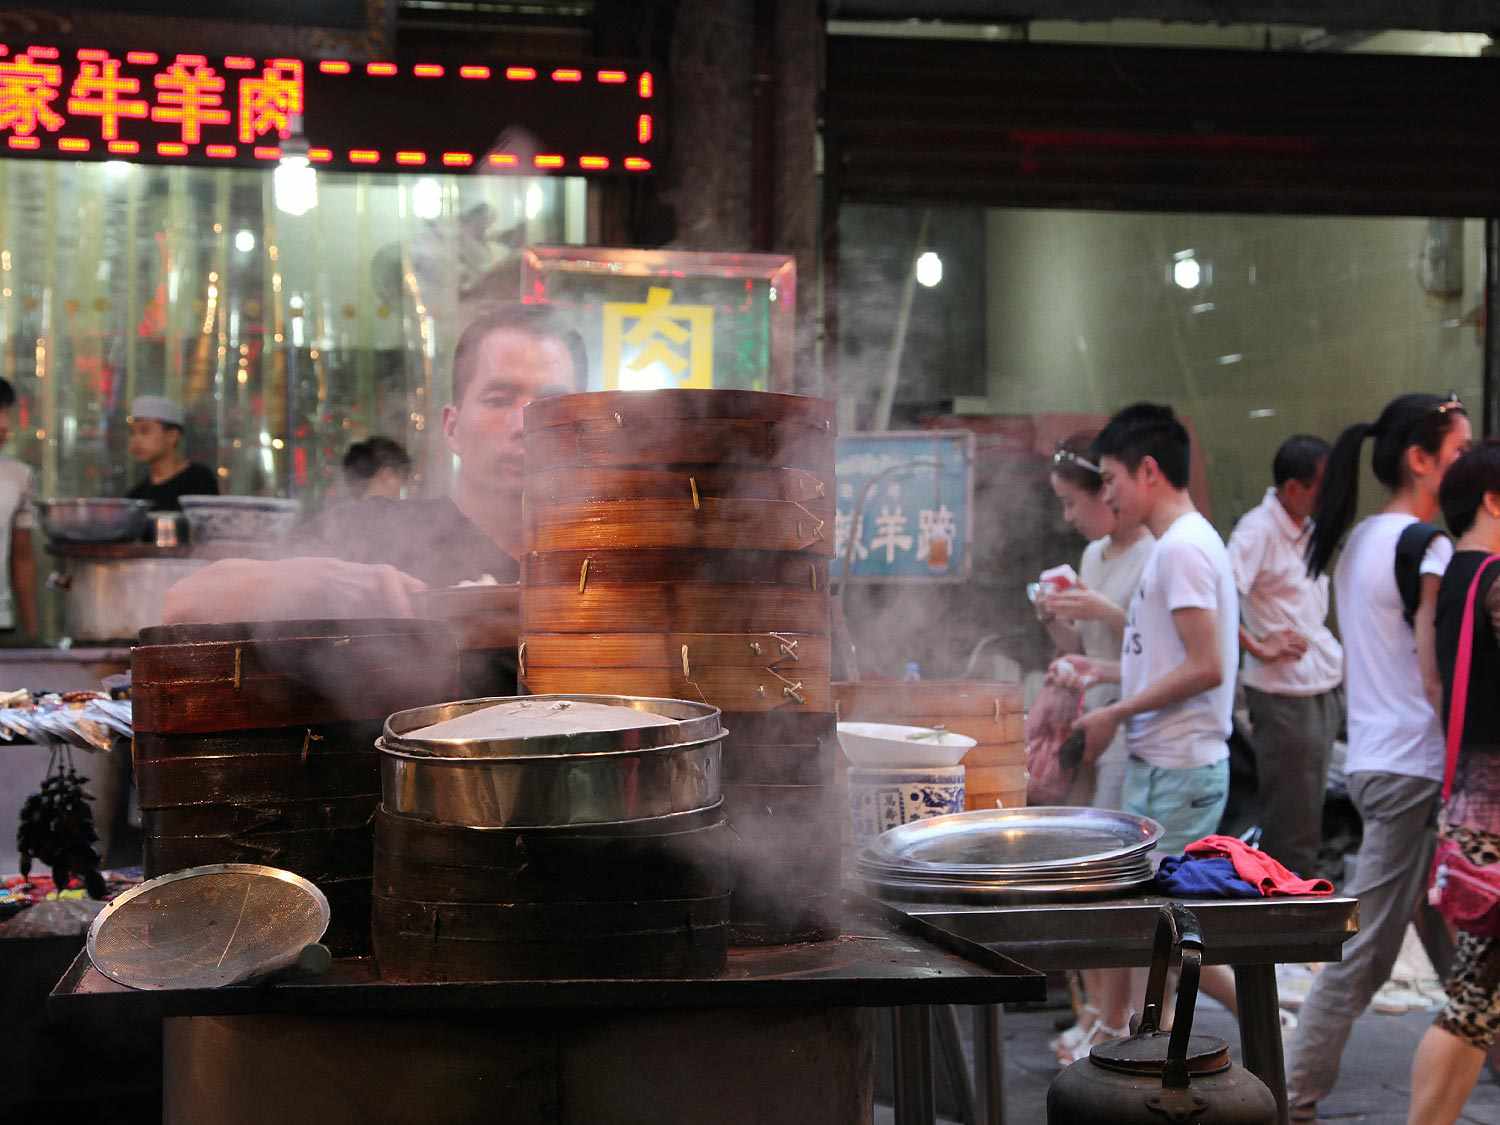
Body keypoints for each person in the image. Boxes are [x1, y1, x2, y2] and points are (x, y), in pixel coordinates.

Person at [162, 303, 584, 628]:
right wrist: (317, 583)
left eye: (551, 404)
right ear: (452, 428)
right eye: (498, 400)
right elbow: (185, 602)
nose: (524, 424)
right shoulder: (377, 532)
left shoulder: (607, 558)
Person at [1288, 392, 1472, 1123]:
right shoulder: (1427, 545)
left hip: (1376, 758)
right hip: (1412, 765)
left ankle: (1477, 1048)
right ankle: (1293, 1091)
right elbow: (1434, 674)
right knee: (1364, 950)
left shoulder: (1365, 537)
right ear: (1421, 461)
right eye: (1458, 451)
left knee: (1457, 933)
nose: (1465, 466)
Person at [1052, 403, 1240, 1040]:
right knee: (1147, 927)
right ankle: (1131, 1049)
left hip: (1180, 767)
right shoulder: (1179, 547)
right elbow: (1164, 661)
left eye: (1110, 479)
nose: (1106, 494)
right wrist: (1104, 679)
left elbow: (1208, 665)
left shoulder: (1182, 549)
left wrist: (1115, 711)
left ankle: (1140, 1055)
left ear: (1149, 471)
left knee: (1155, 932)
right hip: (1161, 763)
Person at [1037, 431, 1154, 1063]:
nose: (1071, 513)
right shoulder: (1092, 554)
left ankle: (1120, 1024)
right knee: (1096, 885)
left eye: (1075, 499)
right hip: (1098, 725)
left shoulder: (1161, 554)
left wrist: (1103, 615)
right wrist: (1056, 619)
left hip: (1137, 731)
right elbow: (1082, 650)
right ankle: (1104, 1020)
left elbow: (1159, 651)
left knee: (1126, 890)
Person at [1406, 439, 1500, 1125]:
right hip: (1496, 826)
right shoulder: (1495, 578)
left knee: (1478, 996)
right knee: (1472, 1000)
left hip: (1471, 813)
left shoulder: (1457, 581)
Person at [1228, 434, 1342, 879]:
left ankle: (1300, 906)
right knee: (1290, 815)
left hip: (1320, 680)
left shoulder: (1310, 527)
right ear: (1294, 488)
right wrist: (1257, 645)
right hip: (1280, 692)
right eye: (1322, 484)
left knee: (1311, 807)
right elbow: (1218, 597)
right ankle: (1282, 919)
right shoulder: (1257, 530)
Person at [125, 395, 219, 511]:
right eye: (132, 433)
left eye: (145, 431)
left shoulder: (199, 480)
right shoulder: (137, 495)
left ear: (172, 435)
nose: (136, 440)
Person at [0, 378, 36, 639]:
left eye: (6, 413)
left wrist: (32, 633)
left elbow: (21, 557)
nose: (4, 425)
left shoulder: (19, 475)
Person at [342, 436, 412, 501]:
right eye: (402, 478)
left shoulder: (339, 512)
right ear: (387, 475)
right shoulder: (395, 512)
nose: (400, 488)